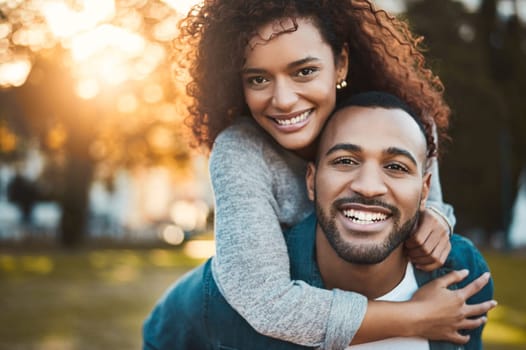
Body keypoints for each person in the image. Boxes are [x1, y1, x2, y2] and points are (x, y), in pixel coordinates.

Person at [174, 0, 475, 348]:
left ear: (341, 63)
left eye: (304, 71)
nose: (283, 100)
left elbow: (428, 203)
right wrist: (417, 317)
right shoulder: (242, 153)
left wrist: (437, 217)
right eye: (258, 79)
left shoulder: (403, 121)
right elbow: (268, 303)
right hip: (192, 329)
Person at [143, 92, 495, 350]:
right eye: (345, 161)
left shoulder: (461, 278)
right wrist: (415, 318)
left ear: (425, 189)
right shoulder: (229, 295)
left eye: (395, 167)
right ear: (310, 180)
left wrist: (437, 213)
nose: (369, 187)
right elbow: (162, 334)